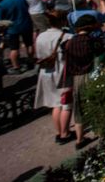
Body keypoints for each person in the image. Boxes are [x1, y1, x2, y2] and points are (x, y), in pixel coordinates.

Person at [62, 15, 104, 150]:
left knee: (78, 108)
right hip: (92, 75)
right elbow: (101, 57)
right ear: (90, 26)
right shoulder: (93, 41)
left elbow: (67, 63)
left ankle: (79, 140)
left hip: (76, 78)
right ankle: (100, 132)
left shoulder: (68, 43)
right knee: (96, 104)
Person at [33, 10, 74, 144]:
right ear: (63, 21)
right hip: (62, 73)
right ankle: (65, 133)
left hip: (46, 72)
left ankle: (59, 132)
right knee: (66, 104)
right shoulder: (67, 36)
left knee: (55, 104)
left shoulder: (40, 36)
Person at [0, 0, 35, 74]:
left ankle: (16, 67)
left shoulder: (1, 5)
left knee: (14, 48)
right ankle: (31, 61)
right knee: (29, 44)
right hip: (26, 24)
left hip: (12, 28)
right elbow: (27, 7)